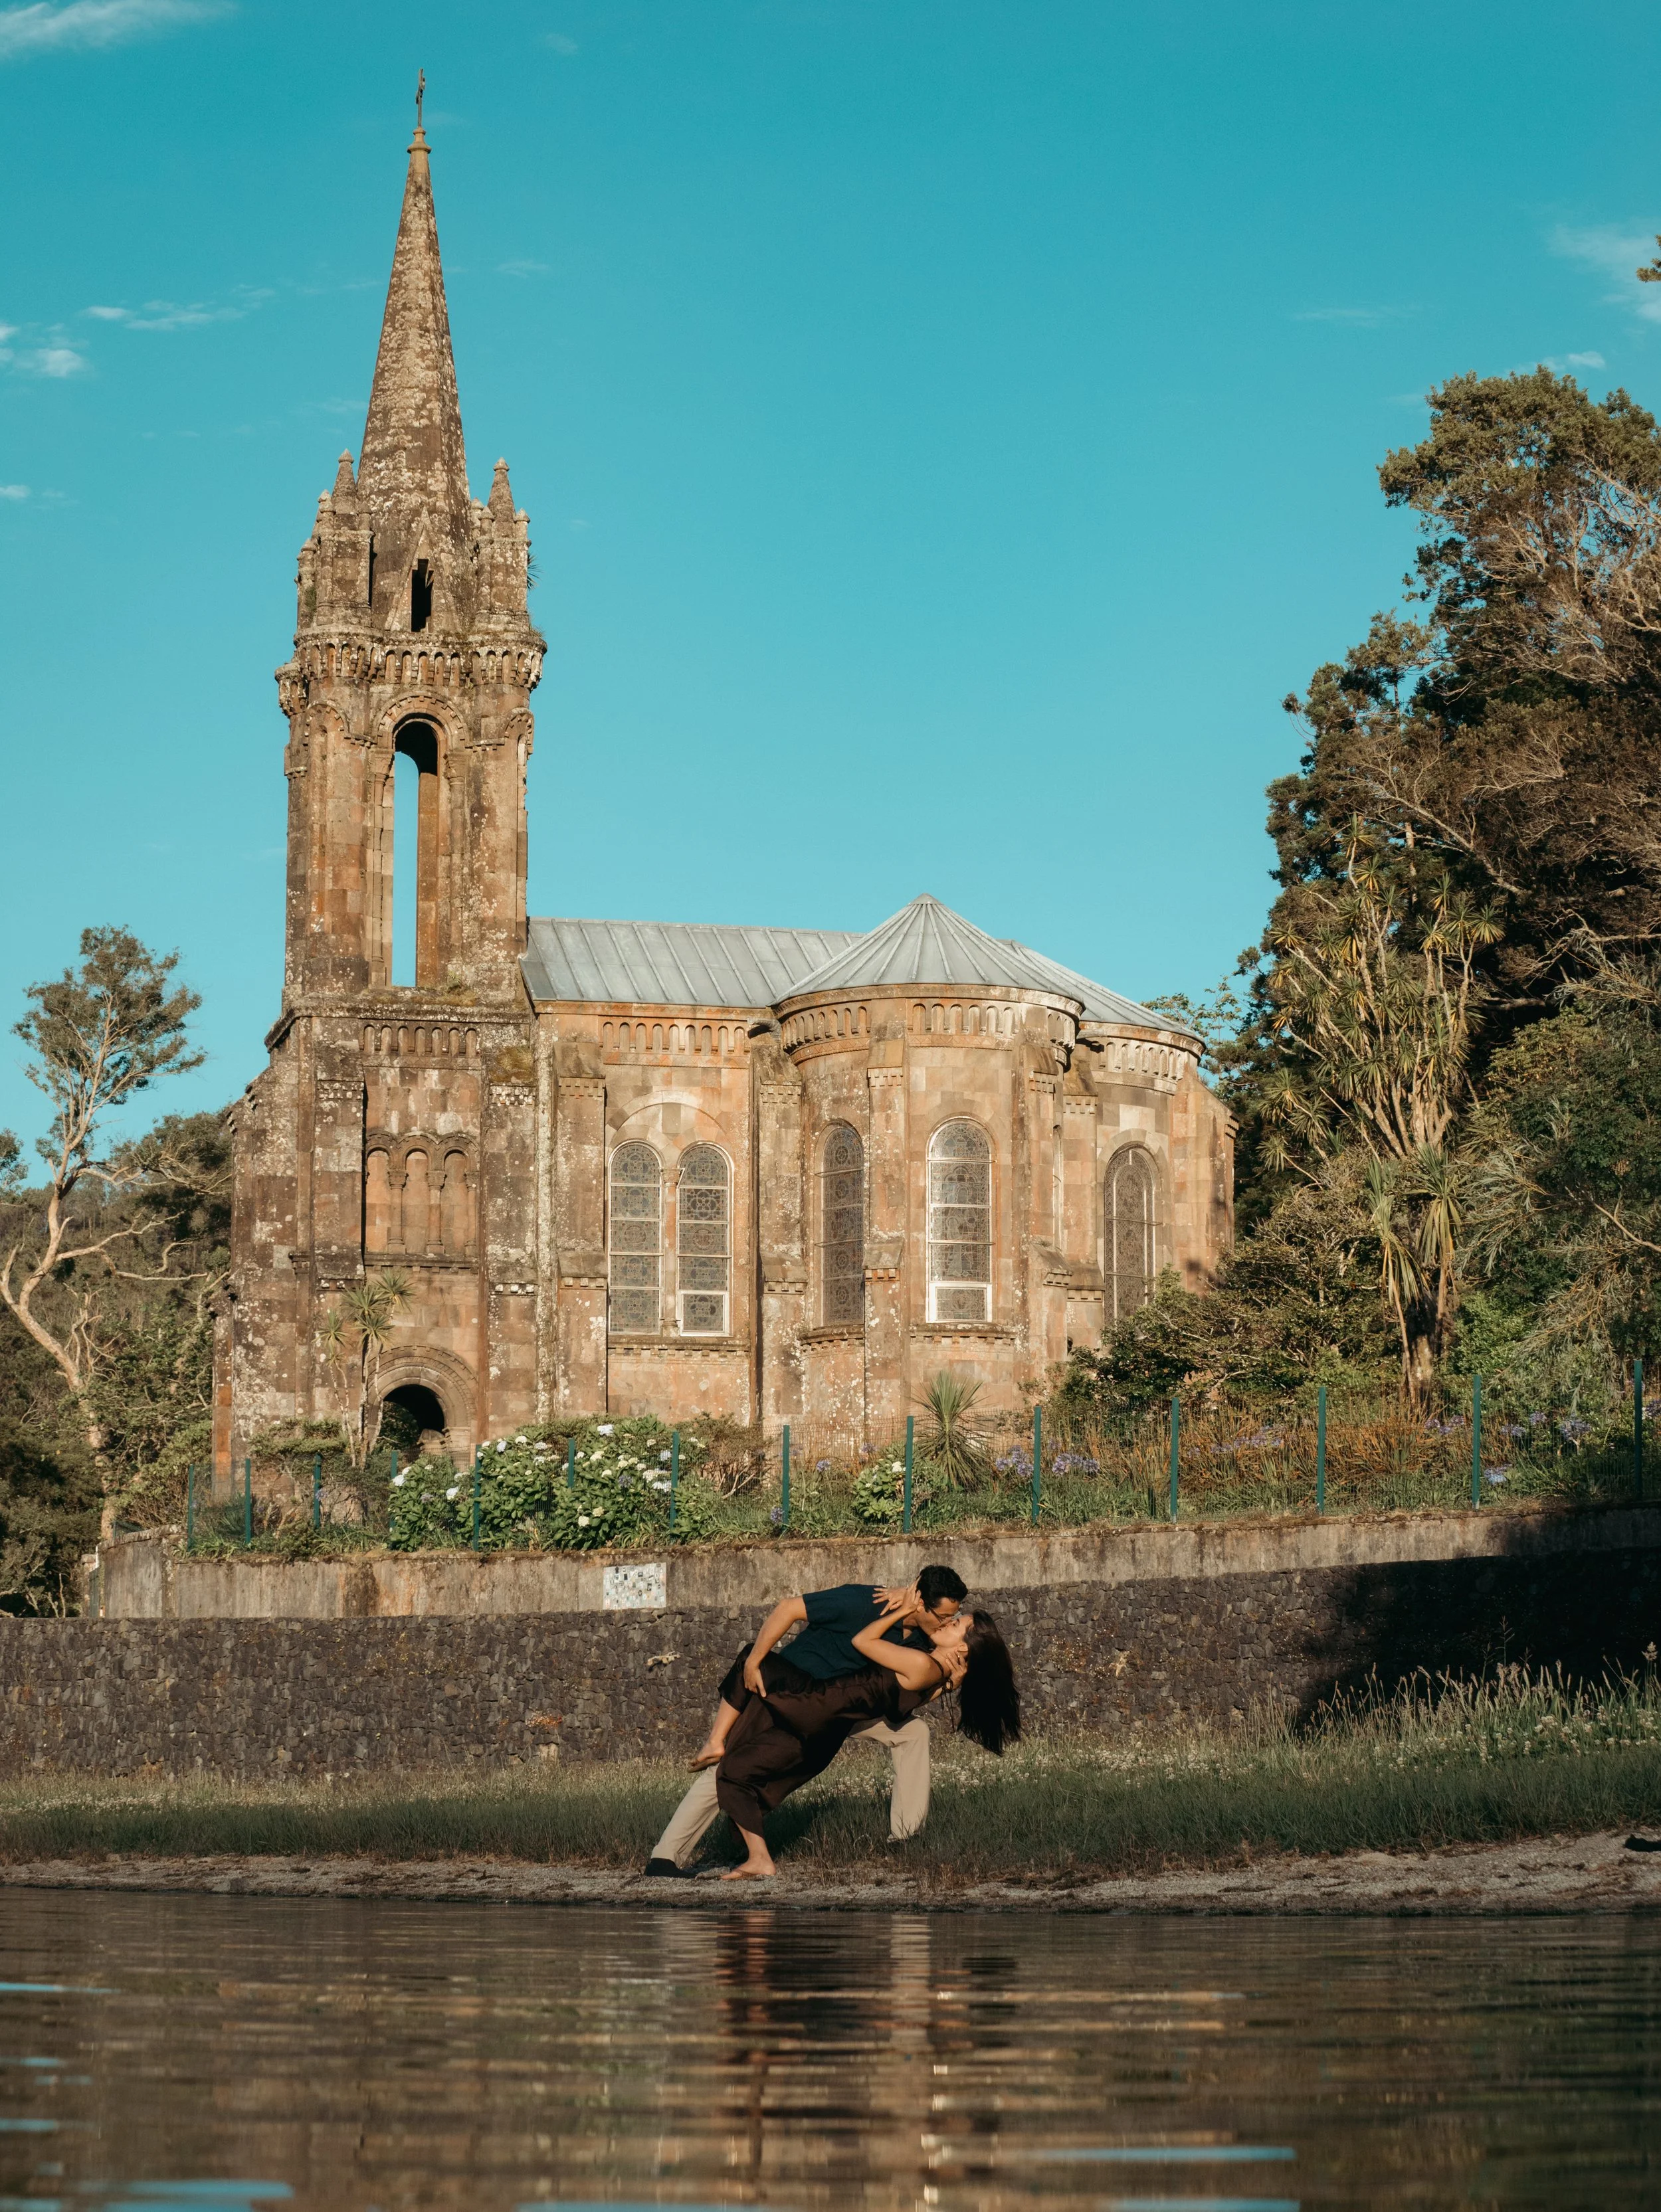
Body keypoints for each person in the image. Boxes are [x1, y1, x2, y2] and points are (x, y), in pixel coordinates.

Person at [643, 1566, 967, 1876]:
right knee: (730, 1767)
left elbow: (902, 1696)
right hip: (792, 1696)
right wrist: (755, 1662)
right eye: (943, 1616)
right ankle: (666, 1858)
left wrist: (949, 1681)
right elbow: (788, 1609)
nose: (947, 1623)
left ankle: (905, 1838)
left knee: (914, 1732)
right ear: (920, 1602)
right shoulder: (862, 1602)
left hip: (844, 1710)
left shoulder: (924, 1638)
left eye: (953, 1618)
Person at [713, 1601, 1021, 1880]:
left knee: (749, 1663)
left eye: (956, 1625)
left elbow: (861, 1642)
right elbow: (900, 1705)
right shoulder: (934, 1673)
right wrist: (954, 1680)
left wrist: (902, 1610)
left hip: (816, 1705)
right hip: (827, 1722)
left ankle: (759, 1856)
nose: (947, 1622)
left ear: (964, 1649)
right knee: (746, 1767)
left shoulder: (923, 1666)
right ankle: (752, 1850)